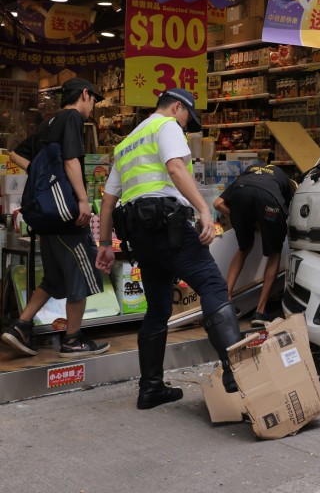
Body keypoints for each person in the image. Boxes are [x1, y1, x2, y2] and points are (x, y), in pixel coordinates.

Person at [95, 89, 241, 410]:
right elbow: (175, 169)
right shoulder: (166, 126)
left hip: (140, 235)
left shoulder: (126, 143)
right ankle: (236, 371)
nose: (187, 126)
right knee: (212, 285)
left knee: (159, 309)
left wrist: (105, 245)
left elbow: (108, 201)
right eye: (188, 117)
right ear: (177, 107)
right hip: (167, 224)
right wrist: (203, 209)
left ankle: (150, 389)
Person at [2, 78, 110, 358]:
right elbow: (71, 160)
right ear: (84, 94)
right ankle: (73, 340)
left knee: (54, 278)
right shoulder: (72, 118)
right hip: (66, 216)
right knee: (82, 275)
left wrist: (41, 176)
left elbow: (15, 154)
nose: (93, 105)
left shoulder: (46, 124)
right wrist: (83, 199)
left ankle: (20, 325)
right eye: (94, 99)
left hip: (46, 216)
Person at [213, 161, 296, 327]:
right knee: (274, 254)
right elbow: (292, 206)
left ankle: (225, 303)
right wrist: (263, 220)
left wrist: (242, 217)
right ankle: (260, 310)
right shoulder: (286, 181)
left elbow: (217, 204)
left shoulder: (246, 175)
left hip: (240, 197)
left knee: (244, 248)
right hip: (269, 202)